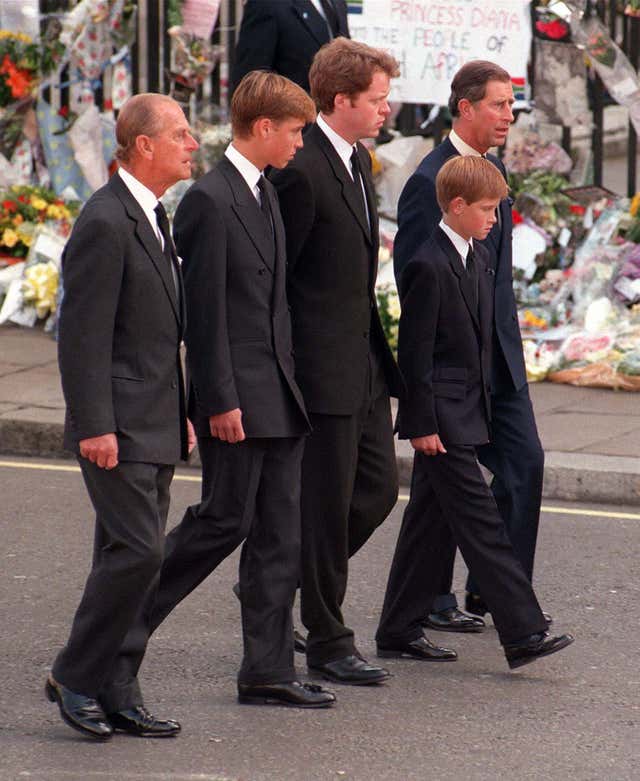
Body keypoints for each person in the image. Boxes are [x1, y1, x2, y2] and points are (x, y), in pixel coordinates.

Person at [104, 70, 336, 710]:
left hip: (279, 395)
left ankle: (267, 671)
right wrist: (218, 400)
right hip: (238, 399)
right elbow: (203, 316)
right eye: (294, 131)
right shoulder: (209, 199)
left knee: (278, 537)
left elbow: (274, 305)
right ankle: (108, 644)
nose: (299, 143)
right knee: (219, 524)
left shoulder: (265, 190)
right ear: (263, 128)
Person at [271, 37, 453, 687]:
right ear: (340, 99)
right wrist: (284, 369)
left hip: (365, 362)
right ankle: (327, 637)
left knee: (375, 493)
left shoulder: (357, 157)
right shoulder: (300, 166)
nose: (386, 109)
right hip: (320, 370)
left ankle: (276, 584)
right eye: (376, 99)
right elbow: (277, 279)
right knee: (325, 506)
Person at [375, 156, 574, 669]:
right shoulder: (427, 263)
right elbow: (414, 355)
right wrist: (419, 424)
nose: (495, 219)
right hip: (440, 420)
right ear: (457, 206)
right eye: (487, 209)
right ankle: (523, 632)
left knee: (427, 526)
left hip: (469, 410)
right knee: (483, 525)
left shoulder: (477, 255)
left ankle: (398, 628)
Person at [46, 93, 199, 740]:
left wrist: (184, 410)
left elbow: (161, 332)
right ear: (145, 146)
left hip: (156, 416)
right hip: (118, 422)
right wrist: (94, 425)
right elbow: (81, 337)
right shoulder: (106, 221)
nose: (193, 144)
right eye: (182, 135)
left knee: (131, 555)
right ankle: (75, 675)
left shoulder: (155, 216)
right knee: (137, 551)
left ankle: (118, 684)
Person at [393, 60, 548, 634]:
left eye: (511, 105)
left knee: (523, 464)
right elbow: (419, 287)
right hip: (456, 369)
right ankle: (454, 603)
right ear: (466, 107)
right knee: (442, 487)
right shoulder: (427, 182)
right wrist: (425, 394)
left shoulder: (494, 169)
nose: (509, 114)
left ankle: (489, 593)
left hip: (500, 357)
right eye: (500, 104)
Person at [232, 0, 349, 95]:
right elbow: (250, 81)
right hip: (294, 118)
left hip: (338, 118)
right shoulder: (266, 4)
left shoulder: (337, 3)